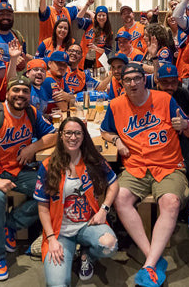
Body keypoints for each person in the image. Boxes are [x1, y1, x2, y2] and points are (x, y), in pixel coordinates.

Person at [100, 62, 189, 286]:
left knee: (171, 202)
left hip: (169, 165)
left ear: (145, 80)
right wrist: (117, 140)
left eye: (137, 78)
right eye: (127, 80)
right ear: (121, 84)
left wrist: (184, 125)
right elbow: (105, 130)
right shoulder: (115, 105)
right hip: (135, 166)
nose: (133, 83)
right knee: (120, 198)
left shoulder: (164, 100)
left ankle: (149, 264)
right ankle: (152, 259)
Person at [0, 76, 56, 280]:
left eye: (25, 91)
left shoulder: (31, 112)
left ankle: (11, 224)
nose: (21, 95)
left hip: (17, 170)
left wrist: (33, 147)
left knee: (52, 188)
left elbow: (53, 135)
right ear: (7, 93)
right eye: (16, 90)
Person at [35, 117, 119, 286]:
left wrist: (104, 210)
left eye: (77, 133)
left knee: (109, 244)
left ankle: (87, 255)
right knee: (57, 284)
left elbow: (114, 183)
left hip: (88, 224)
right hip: (60, 232)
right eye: (68, 133)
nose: (73, 137)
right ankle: (68, 251)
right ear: (60, 135)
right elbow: (42, 206)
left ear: (84, 136)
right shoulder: (48, 165)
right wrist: (51, 239)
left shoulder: (92, 160)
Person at [155, 63, 189, 184]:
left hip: (180, 138)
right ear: (158, 82)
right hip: (157, 140)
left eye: (173, 82)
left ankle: (182, 186)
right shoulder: (151, 95)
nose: (170, 86)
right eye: (165, 82)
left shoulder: (182, 94)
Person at [79, 3, 113, 69]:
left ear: (107, 17)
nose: (101, 17)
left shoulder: (109, 32)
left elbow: (107, 50)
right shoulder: (89, 23)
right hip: (84, 59)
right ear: (96, 16)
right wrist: (86, 7)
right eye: (99, 15)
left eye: (103, 15)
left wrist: (96, 48)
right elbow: (79, 19)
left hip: (98, 62)